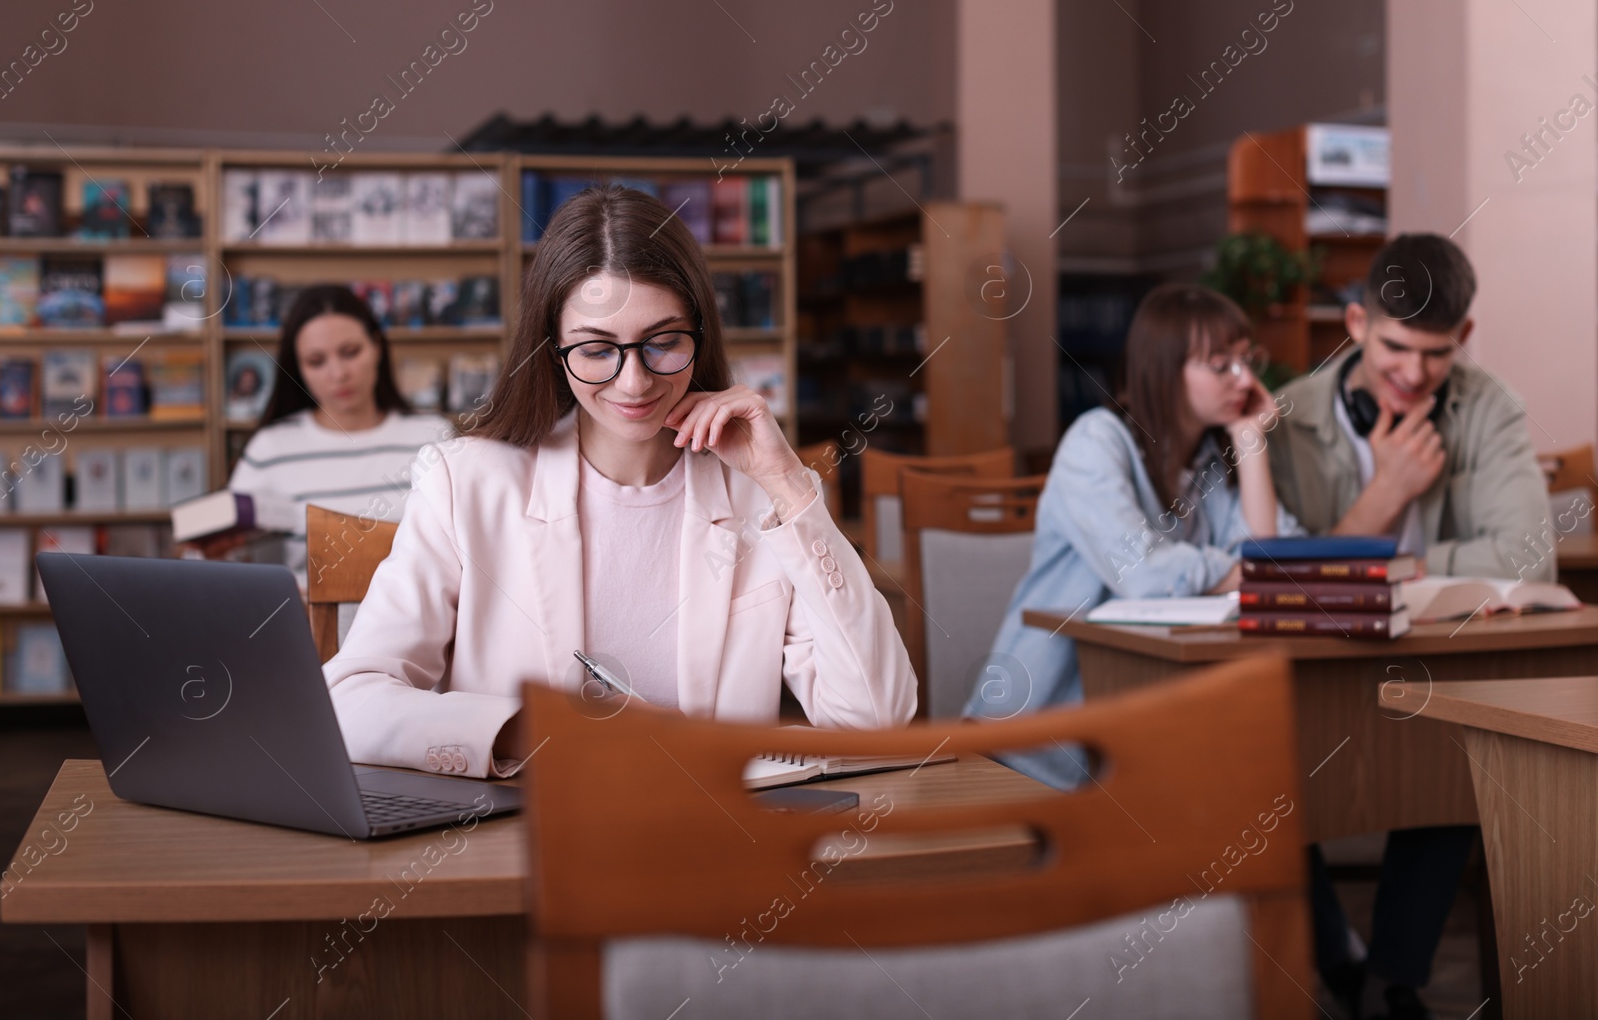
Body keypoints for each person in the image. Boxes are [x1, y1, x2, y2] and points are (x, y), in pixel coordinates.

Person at [324, 185, 915, 778]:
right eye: (595, 349)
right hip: (524, 847)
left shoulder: (758, 495)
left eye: (663, 343)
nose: (633, 383)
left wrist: (786, 481)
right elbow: (350, 700)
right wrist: (530, 731)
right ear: (552, 351)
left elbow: (877, 722)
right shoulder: (466, 484)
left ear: (699, 337)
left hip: (719, 841)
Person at [1268, 233, 1552, 1020]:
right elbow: (1282, 577)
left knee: (1467, 759)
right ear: (1356, 322)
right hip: (1311, 670)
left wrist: (1399, 564)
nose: (1414, 373)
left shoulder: (1488, 405)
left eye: (1435, 354)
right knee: (1254, 769)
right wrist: (1385, 499)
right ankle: (1339, 959)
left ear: (1461, 339)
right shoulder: (1289, 417)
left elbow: (1531, 562)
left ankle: (1395, 979)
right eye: (1395, 346)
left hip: (1432, 664)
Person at [964, 283, 1300, 785]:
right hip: (1032, 747)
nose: (1246, 379)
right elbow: (1143, 572)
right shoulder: (1094, 442)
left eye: (1247, 360)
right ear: (1165, 370)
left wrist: (1250, 443)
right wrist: (1235, 571)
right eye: (1221, 364)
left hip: (1136, 734)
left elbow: (1276, 562)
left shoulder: (1209, 464)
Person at [223, 285, 453, 587]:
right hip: (309, 627)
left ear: (377, 348)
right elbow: (227, 558)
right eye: (316, 361)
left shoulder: (434, 437)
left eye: (350, 352)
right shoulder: (270, 449)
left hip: (423, 622)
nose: (338, 374)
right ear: (299, 369)